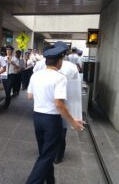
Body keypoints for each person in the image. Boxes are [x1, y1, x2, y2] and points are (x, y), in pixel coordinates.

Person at [26, 42, 85, 184]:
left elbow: (29, 96)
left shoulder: (36, 75)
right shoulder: (60, 78)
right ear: (59, 61)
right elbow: (59, 104)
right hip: (51, 120)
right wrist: (74, 122)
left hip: (37, 117)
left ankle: (50, 181)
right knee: (46, 156)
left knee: (45, 153)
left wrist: (43, 96)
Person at [52, 42, 80, 164]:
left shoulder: (44, 64)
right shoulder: (72, 67)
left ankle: (52, 153)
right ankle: (58, 155)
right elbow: (75, 88)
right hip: (64, 103)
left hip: (49, 104)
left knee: (50, 130)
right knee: (62, 131)